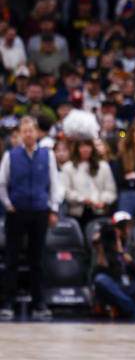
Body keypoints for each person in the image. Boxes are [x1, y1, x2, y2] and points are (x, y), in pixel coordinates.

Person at [0, 116, 63, 320]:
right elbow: (2, 183)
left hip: (39, 211)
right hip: (16, 212)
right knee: (11, 259)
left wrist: (53, 209)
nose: (28, 134)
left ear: (37, 132)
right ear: (19, 134)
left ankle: (39, 303)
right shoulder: (11, 155)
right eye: (24, 130)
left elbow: (55, 184)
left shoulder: (48, 156)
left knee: (37, 259)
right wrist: (8, 204)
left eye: (31, 130)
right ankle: (8, 302)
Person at [90, 210, 135, 320]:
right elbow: (97, 272)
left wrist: (121, 252)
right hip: (114, 286)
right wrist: (101, 249)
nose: (125, 230)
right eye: (121, 227)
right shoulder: (104, 242)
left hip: (132, 285)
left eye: (127, 226)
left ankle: (121, 306)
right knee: (100, 279)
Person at [61, 138, 117, 228]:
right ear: (77, 148)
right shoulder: (68, 167)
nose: (85, 149)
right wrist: (81, 199)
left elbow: (111, 191)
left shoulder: (103, 166)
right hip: (76, 212)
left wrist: (102, 200)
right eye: (82, 146)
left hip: (98, 211)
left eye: (88, 145)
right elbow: (66, 192)